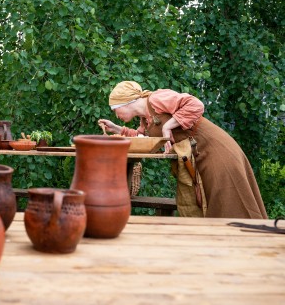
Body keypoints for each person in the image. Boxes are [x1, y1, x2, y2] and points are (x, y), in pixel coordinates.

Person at [98, 81, 267, 219]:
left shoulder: (156, 99)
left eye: (115, 109)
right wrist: (117, 129)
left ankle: (248, 247)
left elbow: (195, 105)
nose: (116, 115)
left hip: (214, 151)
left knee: (229, 200)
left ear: (127, 102)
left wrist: (168, 127)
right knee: (210, 204)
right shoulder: (145, 119)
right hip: (197, 156)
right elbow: (144, 140)